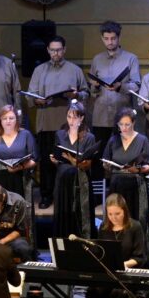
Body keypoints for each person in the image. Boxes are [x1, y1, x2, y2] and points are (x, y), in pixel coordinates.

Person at [28, 35, 88, 208]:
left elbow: (86, 94)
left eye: (59, 50)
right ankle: (46, 195)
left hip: (68, 125)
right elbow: (30, 97)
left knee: (66, 161)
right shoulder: (39, 70)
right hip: (45, 122)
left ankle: (66, 195)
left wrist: (76, 95)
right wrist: (38, 100)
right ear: (48, 50)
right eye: (53, 50)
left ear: (64, 50)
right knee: (47, 162)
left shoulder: (74, 70)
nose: (56, 53)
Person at [84, 194, 148, 298]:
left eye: (117, 214)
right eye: (110, 214)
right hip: (109, 274)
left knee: (117, 294)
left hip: (127, 276)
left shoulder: (135, 227)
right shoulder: (104, 228)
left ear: (124, 211)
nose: (114, 218)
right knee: (91, 291)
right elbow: (101, 253)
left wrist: (123, 264)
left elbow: (140, 257)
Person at [87, 21, 141, 163]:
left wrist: (120, 87)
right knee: (99, 156)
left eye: (113, 38)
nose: (109, 42)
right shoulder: (97, 59)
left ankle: (120, 183)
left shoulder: (131, 58)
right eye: (106, 39)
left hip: (122, 116)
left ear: (119, 38)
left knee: (122, 155)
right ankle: (101, 185)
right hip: (101, 115)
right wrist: (96, 86)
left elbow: (136, 86)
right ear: (102, 38)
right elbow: (92, 90)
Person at [102, 107, 149, 236]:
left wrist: (139, 169)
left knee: (135, 218)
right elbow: (105, 161)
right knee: (116, 219)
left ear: (133, 123)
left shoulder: (142, 140)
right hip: (117, 185)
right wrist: (107, 165)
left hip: (136, 185)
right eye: (121, 124)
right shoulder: (113, 140)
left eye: (127, 124)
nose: (124, 128)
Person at [50, 101, 97, 239]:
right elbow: (58, 156)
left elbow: (88, 164)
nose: (71, 120)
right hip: (63, 180)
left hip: (80, 180)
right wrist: (55, 160)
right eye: (69, 116)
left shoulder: (89, 137)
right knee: (63, 212)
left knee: (79, 213)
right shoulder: (60, 134)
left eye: (75, 117)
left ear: (81, 118)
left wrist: (72, 160)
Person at [0, 104, 36, 201]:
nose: (8, 121)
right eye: (4, 118)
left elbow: (34, 159)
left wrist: (21, 167)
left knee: (19, 208)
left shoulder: (25, 134)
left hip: (21, 177)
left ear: (16, 119)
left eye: (11, 118)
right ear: (0, 121)